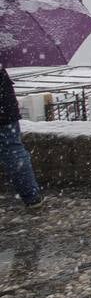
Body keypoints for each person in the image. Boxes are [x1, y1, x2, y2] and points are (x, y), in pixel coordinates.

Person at [0, 65, 42, 208]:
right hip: (4, 108)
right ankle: (31, 196)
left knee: (12, 149)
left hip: (4, 108)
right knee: (12, 149)